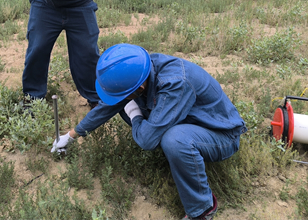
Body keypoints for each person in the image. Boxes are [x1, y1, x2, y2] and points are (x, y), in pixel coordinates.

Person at [51, 43, 247, 220]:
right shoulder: (139, 71)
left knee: (175, 140)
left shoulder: (174, 83)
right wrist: (70, 136)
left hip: (220, 135)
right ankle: (183, 156)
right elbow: (106, 107)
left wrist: (135, 114)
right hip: (191, 123)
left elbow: (146, 141)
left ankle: (203, 209)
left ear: (141, 87)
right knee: (127, 106)